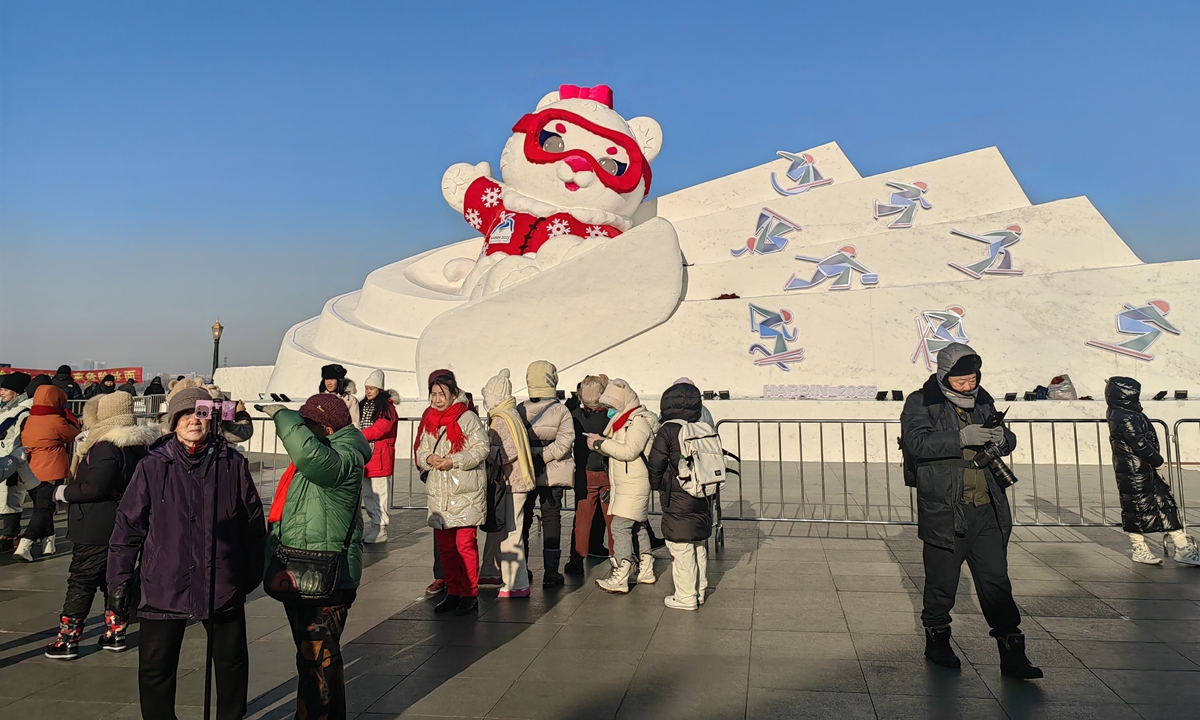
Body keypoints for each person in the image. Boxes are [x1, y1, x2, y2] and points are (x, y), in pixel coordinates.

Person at [108, 387, 266, 720]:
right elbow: (128, 527)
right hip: (164, 581)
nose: (193, 420)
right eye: (185, 415)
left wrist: (251, 571)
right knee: (155, 667)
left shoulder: (230, 463)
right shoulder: (153, 465)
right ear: (173, 422)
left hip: (219, 581)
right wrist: (119, 581)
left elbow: (252, 522)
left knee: (231, 662)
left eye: (200, 414)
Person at [901, 342, 1041, 679]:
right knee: (942, 584)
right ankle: (937, 642)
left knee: (996, 583)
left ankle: (1013, 654)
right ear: (946, 376)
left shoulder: (983, 399)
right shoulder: (922, 402)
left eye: (973, 379)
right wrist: (960, 437)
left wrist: (1002, 438)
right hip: (946, 510)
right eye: (961, 380)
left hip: (987, 510)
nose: (969, 386)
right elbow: (916, 442)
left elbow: (1008, 439)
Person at [264, 393, 370, 720]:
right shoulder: (335, 449)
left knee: (319, 657)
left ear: (324, 427)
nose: (303, 434)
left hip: (324, 572)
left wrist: (284, 416)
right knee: (314, 657)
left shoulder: (343, 457)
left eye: (306, 425)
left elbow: (309, 455)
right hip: (305, 566)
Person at [46, 391, 158, 659]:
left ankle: (67, 640)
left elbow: (95, 487)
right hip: (124, 522)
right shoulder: (138, 444)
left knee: (82, 580)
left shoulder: (107, 445)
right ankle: (115, 633)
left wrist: (63, 493)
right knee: (115, 578)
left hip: (97, 524)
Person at [1105, 377, 1200, 566]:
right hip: (1134, 470)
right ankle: (1139, 548)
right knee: (1137, 508)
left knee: (1165, 505)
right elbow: (1139, 444)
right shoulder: (1124, 416)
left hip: (1142, 468)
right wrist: (1158, 461)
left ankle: (1182, 548)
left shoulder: (1125, 412)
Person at [415, 370, 489, 615]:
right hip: (440, 493)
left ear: (453, 393)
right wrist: (429, 457)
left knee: (465, 545)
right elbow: (421, 450)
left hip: (465, 491)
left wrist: (454, 461)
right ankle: (453, 591)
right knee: (446, 547)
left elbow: (481, 449)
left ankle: (470, 593)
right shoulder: (430, 420)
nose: (437, 399)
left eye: (441, 394)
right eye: (433, 394)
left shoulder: (467, 418)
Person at [587, 378, 660, 593]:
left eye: (611, 405)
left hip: (633, 483)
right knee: (637, 525)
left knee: (620, 527)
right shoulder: (624, 421)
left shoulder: (637, 422)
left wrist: (601, 443)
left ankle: (621, 572)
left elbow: (629, 451)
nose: (609, 410)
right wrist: (601, 445)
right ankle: (646, 568)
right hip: (628, 482)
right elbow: (619, 449)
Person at [648, 382, 713, 611]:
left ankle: (685, 597)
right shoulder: (701, 427)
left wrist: (657, 485)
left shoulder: (668, 430)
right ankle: (700, 591)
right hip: (703, 494)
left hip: (677, 496)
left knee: (681, 546)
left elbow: (656, 463)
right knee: (698, 544)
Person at [518, 361, 575, 588]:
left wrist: (530, 456)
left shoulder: (520, 409)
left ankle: (522, 567)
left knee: (524, 517)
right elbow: (565, 441)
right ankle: (552, 571)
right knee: (552, 517)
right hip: (553, 471)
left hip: (526, 471)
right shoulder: (561, 410)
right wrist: (545, 455)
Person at [479, 369, 536, 597]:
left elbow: (507, 451)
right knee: (501, 530)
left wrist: (485, 451)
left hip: (512, 483)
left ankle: (516, 582)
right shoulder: (509, 414)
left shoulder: (501, 418)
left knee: (511, 532)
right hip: (513, 482)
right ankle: (491, 570)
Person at [16, 384, 81, 561]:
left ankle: (49, 543)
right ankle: (26, 544)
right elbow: (73, 435)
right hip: (52, 469)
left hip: (31, 470)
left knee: (42, 507)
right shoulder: (55, 420)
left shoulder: (28, 419)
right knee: (44, 509)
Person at [565, 375, 615, 575]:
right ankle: (618, 557)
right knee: (612, 518)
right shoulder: (611, 417)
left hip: (585, 473)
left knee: (582, 518)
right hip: (608, 472)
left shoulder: (575, 415)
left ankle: (577, 559)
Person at [359, 369, 398, 543]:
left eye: (372, 388)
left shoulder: (387, 408)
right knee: (368, 493)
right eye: (367, 388)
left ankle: (381, 527)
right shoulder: (364, 406)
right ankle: (375, 525)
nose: (368, 391)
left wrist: (359, 434)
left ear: (379, 390)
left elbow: (381, 428)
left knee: (380, 493)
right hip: (367, 456)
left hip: (380, 456)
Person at [0, 372, 34, 549]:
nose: (1, 393)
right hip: (4, 457)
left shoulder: (23, 411)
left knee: (11, 498)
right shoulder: (7, 408)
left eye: (5, 389)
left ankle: (9, 535)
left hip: (14, 459)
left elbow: (22, 438)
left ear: (17, 392)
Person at [319, 364, 361, 429]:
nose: (329, 383)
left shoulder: (350, 400)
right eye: (326, 379)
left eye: (332, 379)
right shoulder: (320, 398)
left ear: (339, 381)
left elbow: (355, 425)